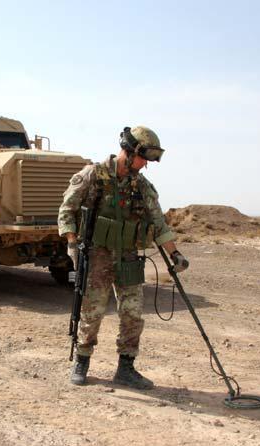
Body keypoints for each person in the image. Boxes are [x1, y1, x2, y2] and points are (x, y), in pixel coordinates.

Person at [58, 125, 188, 389]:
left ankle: (126, 367)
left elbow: (159, 224)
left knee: (133, 313)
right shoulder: (92, 175)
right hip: (96, 254)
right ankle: (82, 360)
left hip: (128, 256)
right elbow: (66, 210)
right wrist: (72, 244)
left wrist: (175, 254)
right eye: (143, 158)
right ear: (128, 151)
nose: (145, 165)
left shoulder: (142, 186)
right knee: (92, 311)